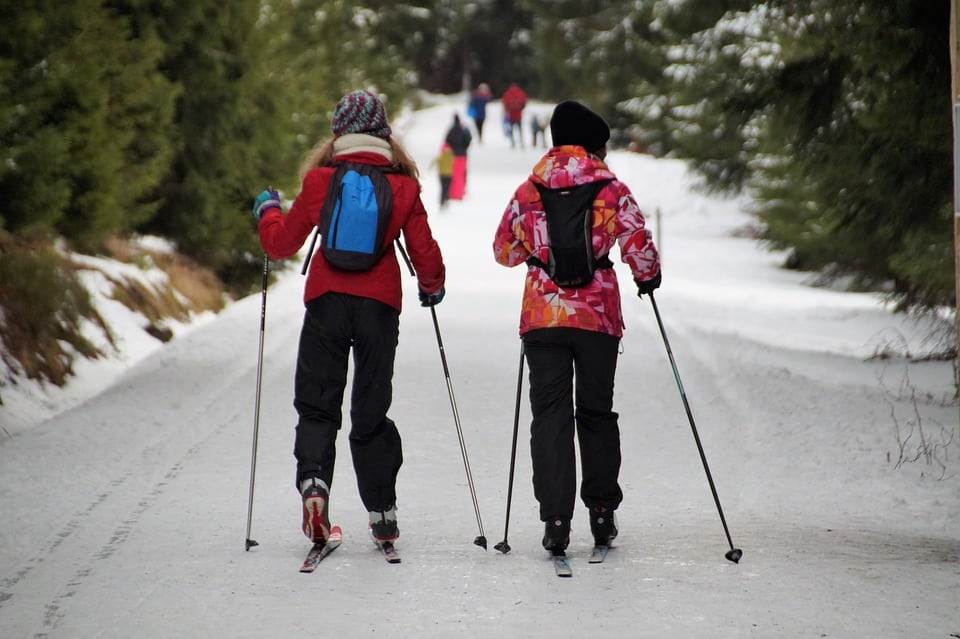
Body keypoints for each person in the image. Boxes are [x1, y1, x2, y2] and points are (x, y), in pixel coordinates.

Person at [251, 89, 446, 551]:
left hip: (326, 301)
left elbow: (280, 244)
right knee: (370, 410)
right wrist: (431, 287)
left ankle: (315, 486)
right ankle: (382, 512)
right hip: (380, 307)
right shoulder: (403, 185)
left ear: (339, 130)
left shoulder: (322, 180)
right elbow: (425, 253)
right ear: (382, 131)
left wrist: (268, 212)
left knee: (318, 405)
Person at [492, 100, 661, 553]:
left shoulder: (529, 189)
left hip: (543, 318)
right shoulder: (611, 187)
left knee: (550, 416)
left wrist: (536, 253)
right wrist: (648, 276)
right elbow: (638, 243)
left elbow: (502, 251)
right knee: (596, 412)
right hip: (596, 317)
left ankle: (556, 520)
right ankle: (602, 511)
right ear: (594, 145)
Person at [444, 114, 472, 200]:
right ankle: (461, 193)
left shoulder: (451, 130)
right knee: (462, 174)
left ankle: (453, 193)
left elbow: (447, 141)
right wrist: (465, 147)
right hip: (463, 155)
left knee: (454, 175)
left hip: (453, 156)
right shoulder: (464, 129)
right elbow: (469, 139)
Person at [501, 82, 528, 149]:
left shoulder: (507, 93)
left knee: (512, 130)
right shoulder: (520, 93)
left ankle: (513, 143)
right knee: (520, 129)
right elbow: (524, 102)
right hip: (518, 115)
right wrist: (521, 108)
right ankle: (521, 142)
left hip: (511, 115)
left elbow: (504, 103)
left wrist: (506, 110)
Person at [431, 142, 454, 208]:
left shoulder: (442, 155)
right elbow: (454, 164)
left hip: (442, 175)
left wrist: (430, 167)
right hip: (449, 175)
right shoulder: (451, 156)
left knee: (443, 188)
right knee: (447, 188)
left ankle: (442, 201)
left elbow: (434, 161)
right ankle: (446, 200)